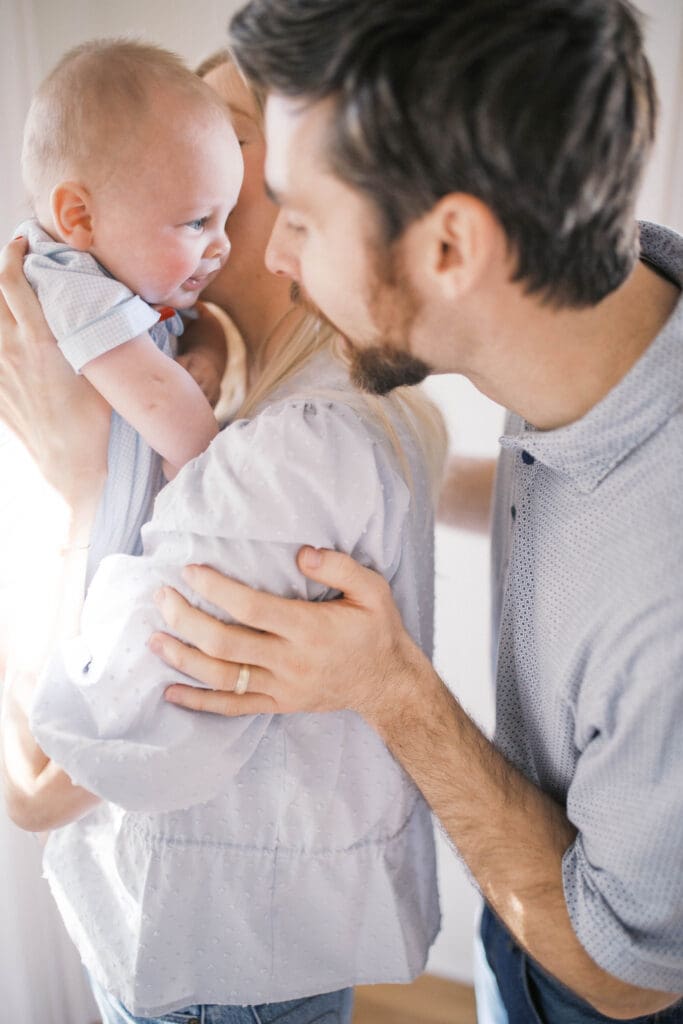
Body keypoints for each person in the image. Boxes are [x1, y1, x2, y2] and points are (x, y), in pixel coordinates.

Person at [110, 2, 681, 1022]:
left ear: (450, 245)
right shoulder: (607, 306)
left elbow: (627, 974)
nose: (276, 255)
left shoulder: (665, 587)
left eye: (299, 216)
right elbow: (573, 495)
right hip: (519, 924)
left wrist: (391, 688)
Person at [0, 49, 447, 1024]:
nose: (201, 165)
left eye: (229, 141)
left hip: (210, 964)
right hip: (246, 943)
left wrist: (77, 493)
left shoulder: (276, 454)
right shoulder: (263, 401)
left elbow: (47, 783)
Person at [18, 39, 241, 573]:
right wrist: (224, 481)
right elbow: (160, 400)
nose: (222, 245)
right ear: (80, 217)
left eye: (227, 219)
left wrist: (208, 358)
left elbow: (200, 322)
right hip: (76, 562)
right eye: (197, 222)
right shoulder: (68, 283)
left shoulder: (135, 280)